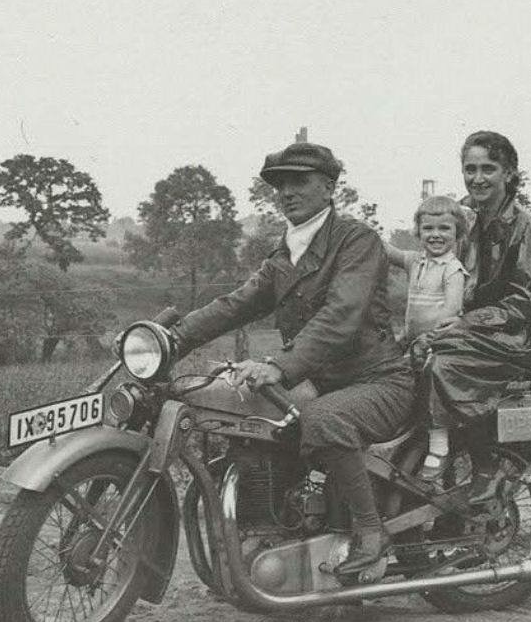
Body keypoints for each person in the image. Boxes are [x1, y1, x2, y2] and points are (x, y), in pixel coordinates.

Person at [172, 139, 412, 573]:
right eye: (280, 183)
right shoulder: (285, 254)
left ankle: (370, 531)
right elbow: (237, 304)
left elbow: (341, 314)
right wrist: (171, 339)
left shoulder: (357, 240)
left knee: (323, 419)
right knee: (253, 417)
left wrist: (279, 366)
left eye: (299, 181)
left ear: (329, 187)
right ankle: (280, 528)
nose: (286, 191)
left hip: (379, 381)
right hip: (324, 381)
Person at [424, 131, 531, 501]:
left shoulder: (523, 226)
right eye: (470, 169)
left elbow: (524, 301)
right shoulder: (465, 217)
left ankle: (485, 461)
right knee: (411, 353)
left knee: (443, 365)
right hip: (476, 326)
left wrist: (465, 322)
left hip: (518, 333)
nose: (478, 178)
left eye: (488, 169)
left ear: (509, 173)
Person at [382, 195, 470, 485]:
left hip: (439, 341)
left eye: (444, 228)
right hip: (413, 340)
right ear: (418, 232)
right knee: (388, 371)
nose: (435, 235)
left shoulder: (452, 269)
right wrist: (361, 234)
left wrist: (429, 339)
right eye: (428, 228)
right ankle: (399, 437)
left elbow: (450, 312)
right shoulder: (415, 261)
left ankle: (439, 443)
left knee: (434, 380)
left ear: (457, 233)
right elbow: (391, 252)